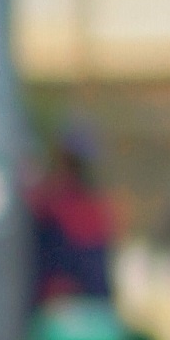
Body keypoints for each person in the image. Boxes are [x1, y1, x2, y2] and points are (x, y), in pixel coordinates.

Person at [30, 121, 116, 305]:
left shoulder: (93, 207)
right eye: (74, 162)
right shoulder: (49, 205)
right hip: (58, 307)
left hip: (89, 306)